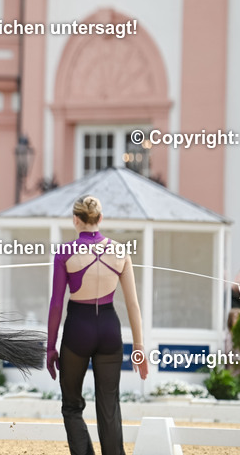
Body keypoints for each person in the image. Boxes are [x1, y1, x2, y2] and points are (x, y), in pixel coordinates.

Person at [47, 195, 147, 455]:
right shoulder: (120, 251)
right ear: (100, 219)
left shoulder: (65, 252)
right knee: (109, 404)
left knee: (71, 405)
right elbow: (133, 304)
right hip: (109, 329)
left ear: (75, 220)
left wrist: (50, 348)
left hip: (78, 329)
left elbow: (56, 304)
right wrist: (139, 346)